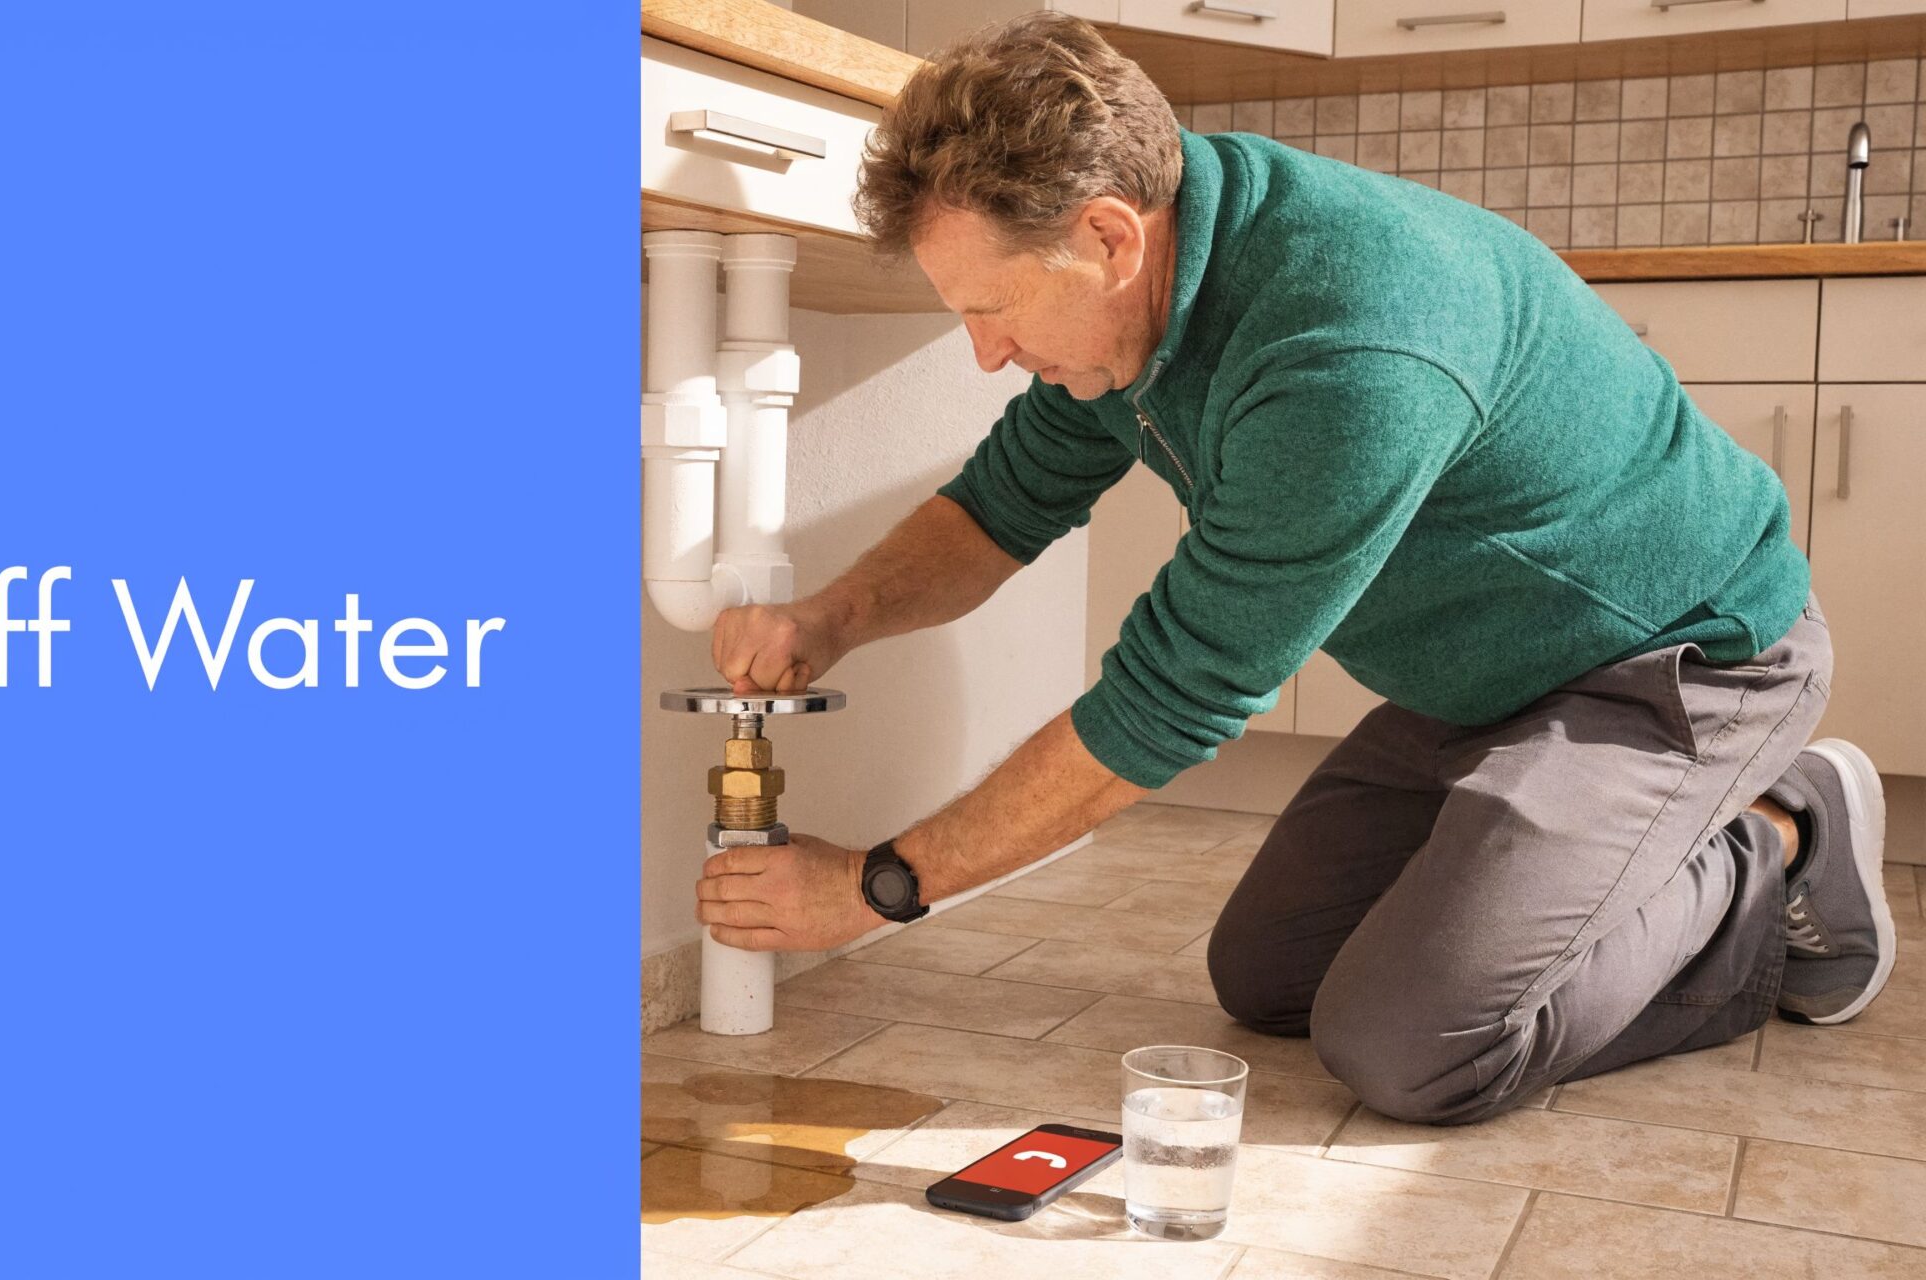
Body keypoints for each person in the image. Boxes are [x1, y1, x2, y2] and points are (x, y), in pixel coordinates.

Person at [692, 13, 1898, 1126]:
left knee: (1413, 1046)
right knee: (1267, 976)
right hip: (1479, 676)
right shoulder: (1135, 309)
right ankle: (1584, 845)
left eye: (995, 309)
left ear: (1108, 237)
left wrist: (878, 887)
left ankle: (1781, 836)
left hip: (1673, 662)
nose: (987, 350)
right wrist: (830, 614)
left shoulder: (1350, 342)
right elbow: (1003, 506)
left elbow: (1169, 698)